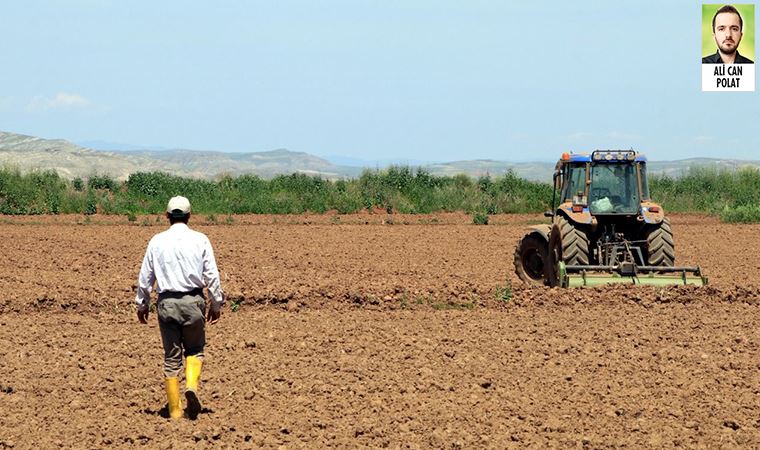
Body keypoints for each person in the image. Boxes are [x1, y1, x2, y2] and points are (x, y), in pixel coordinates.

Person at [134, 196, 224, 420]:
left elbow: (146, 276)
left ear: (167, 216)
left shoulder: (156, 241)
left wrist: (142, 303)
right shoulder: (200, 239)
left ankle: (175, 411)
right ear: (189, 216)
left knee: (171, 357)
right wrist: (216, 303)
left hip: (167, 304)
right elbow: (211, 275)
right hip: (194, 302)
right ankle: (191, 385)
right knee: (195, 350)